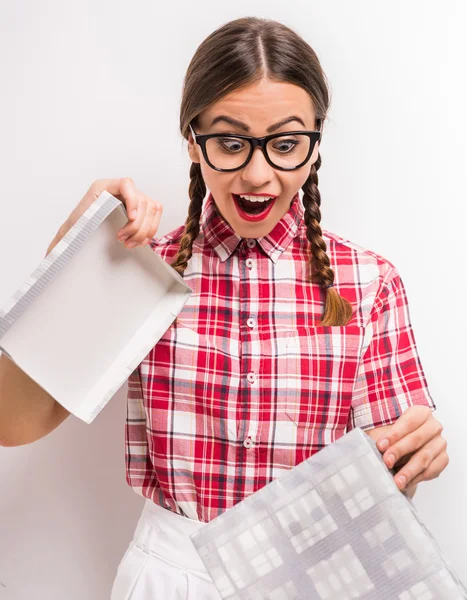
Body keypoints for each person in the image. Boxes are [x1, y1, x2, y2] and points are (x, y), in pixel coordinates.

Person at [1, 16, 449, 600]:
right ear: (193, 139)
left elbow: (385, 488)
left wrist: (417, 455)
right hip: (170, 577)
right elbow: (12, 422)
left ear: (316, 144)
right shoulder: (143, 269)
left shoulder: (367, 285)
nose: (258, 175)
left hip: (313, 575)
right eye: (231, 142)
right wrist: (74, 257)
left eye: (286, 144)